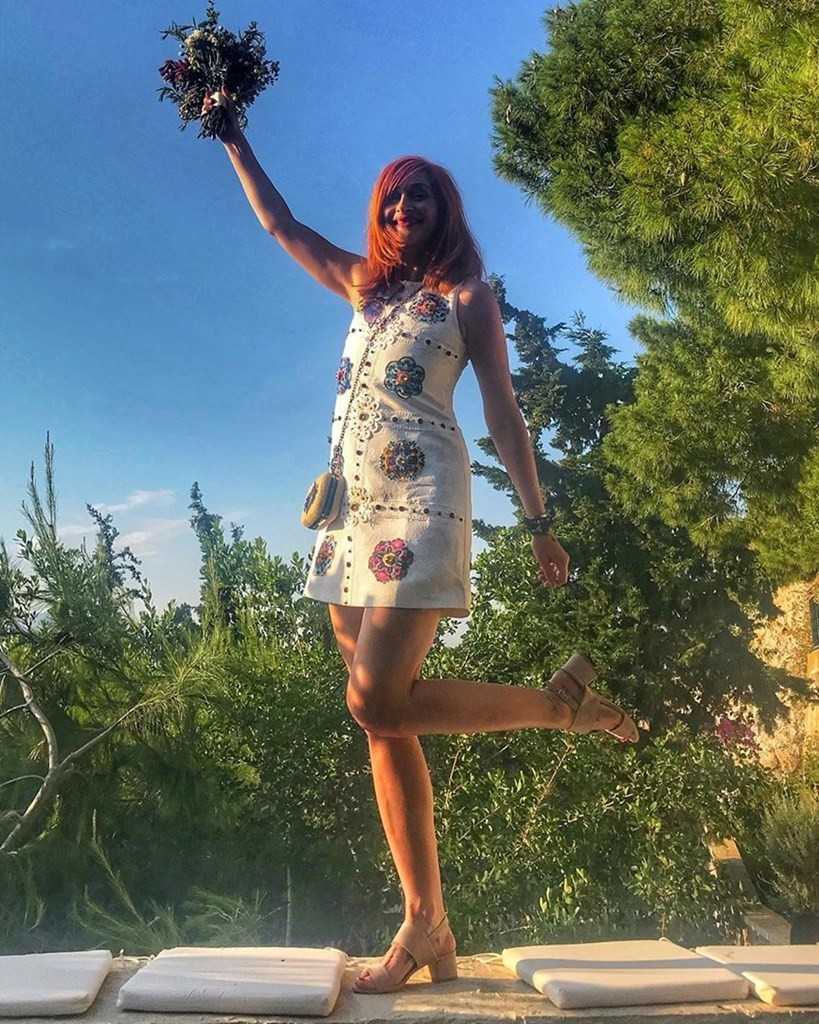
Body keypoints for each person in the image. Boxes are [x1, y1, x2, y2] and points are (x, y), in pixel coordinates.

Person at [201, 87, 639, 995]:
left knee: (374, 698)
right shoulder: (364, 286)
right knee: (382, 722)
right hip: (347, 512)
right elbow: (281, 225)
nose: (405, 208)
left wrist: (538, 523)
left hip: (423, 501)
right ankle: (427, 921)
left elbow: (503, 413)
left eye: (421, 195)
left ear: (445, 209)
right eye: (394, 197)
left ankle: (561, 708)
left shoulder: (467, 297)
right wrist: (232, 134)